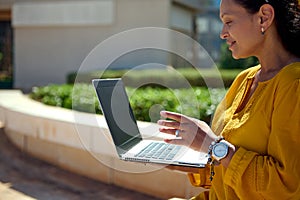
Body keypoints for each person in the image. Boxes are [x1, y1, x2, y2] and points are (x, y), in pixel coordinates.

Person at [157, 0, 300, 199]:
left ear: (264, 17)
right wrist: (186, 158)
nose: (222, 33)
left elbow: (286, 186)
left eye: (229, 21)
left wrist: (213, 145)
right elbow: (226, 177)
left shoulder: (294, 83)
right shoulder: (245, 79)